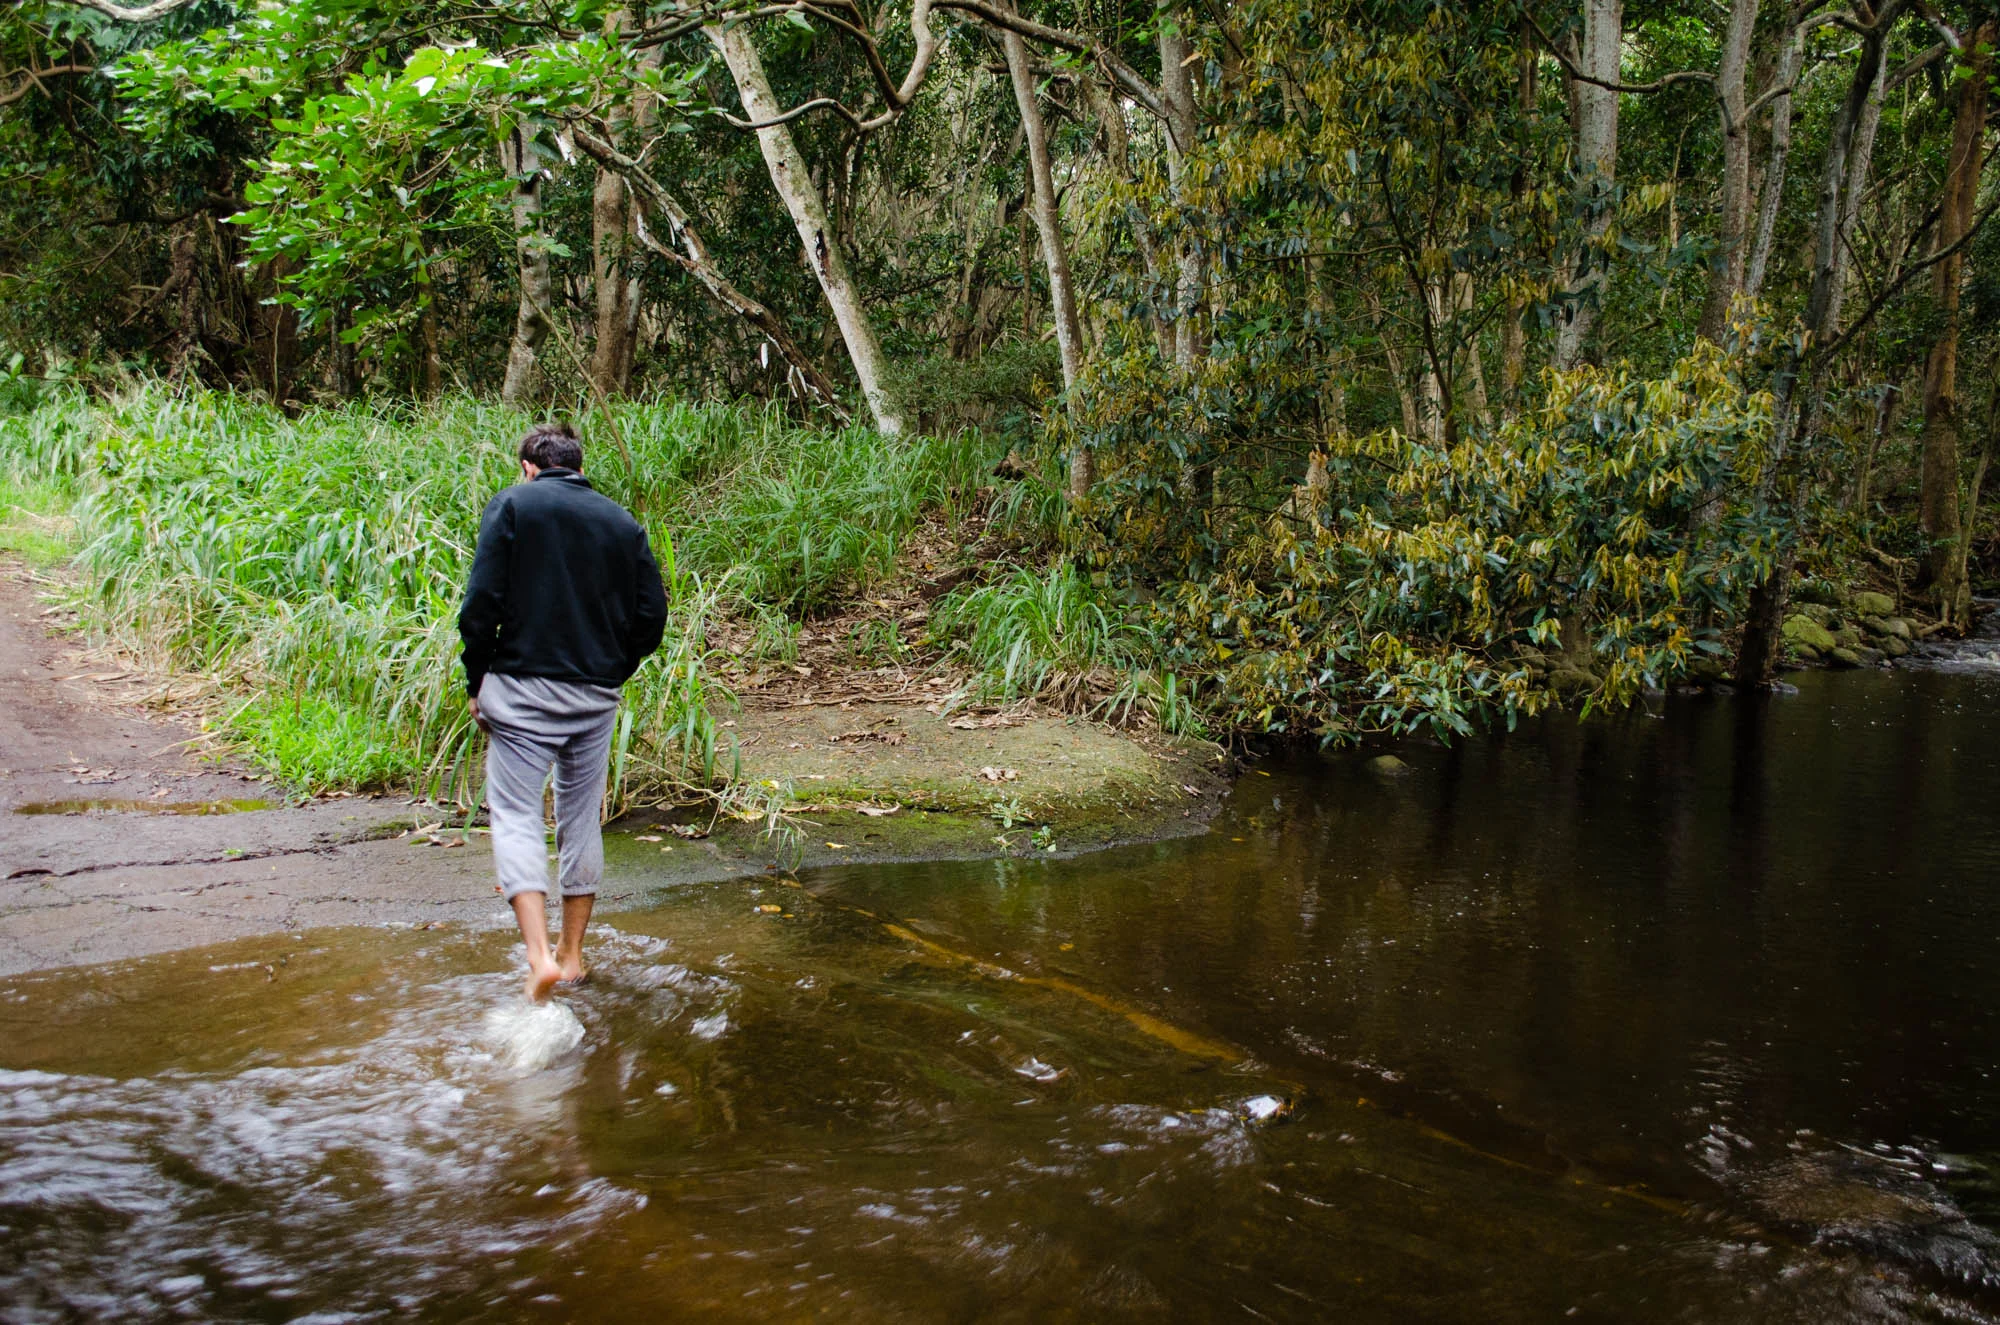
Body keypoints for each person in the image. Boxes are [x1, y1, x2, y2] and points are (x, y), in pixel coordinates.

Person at [459, 422, 667, 1001]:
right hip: (595, 697)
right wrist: (612, 669)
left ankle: (538, 955)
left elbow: (481, 605)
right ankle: (573, 956)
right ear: (578, 466)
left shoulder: (514, 505)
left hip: (523, 691)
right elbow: (652, 617)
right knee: (579, 818)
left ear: (529, 465)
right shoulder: (622, 523)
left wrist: (478, 679)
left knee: (517, 814)